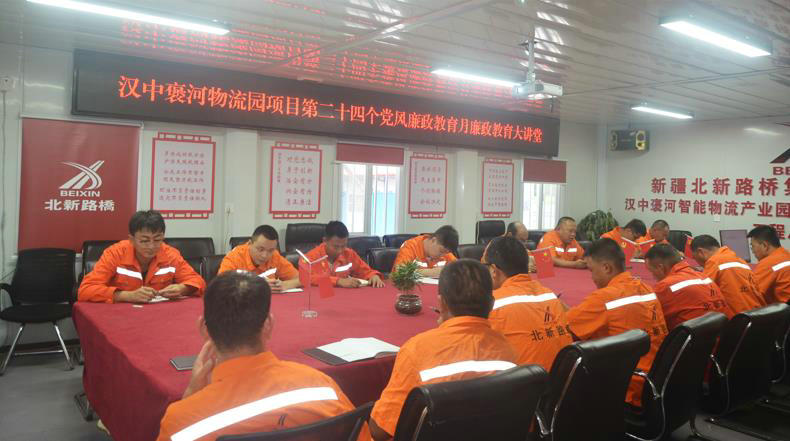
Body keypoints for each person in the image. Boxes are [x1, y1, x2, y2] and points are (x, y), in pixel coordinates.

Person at [156, 272, 364, 441]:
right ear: (269, 325)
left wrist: (191, 395)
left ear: (204, 328)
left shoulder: (181, 421)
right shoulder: (323, 387)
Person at [369, 260, 517, 441]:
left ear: (441, 303)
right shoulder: (508, 349)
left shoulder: (417, 350)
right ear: (492, 304)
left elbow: (379, 430)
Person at [566, 238, 668, 407]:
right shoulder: (646, 288)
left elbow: (566, 327)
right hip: (656, 378)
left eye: (591, 270)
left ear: (606, 267)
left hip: (626, 385)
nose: (592, 278)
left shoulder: (605, 298)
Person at [483, 236, 571, 370]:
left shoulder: (491, 304)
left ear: (493, 270)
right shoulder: (549, 295)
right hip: (562, 378)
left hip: (523, 381)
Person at [78, 210, 205, 303]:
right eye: (144, 241)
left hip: (160, 314)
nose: (151, 246)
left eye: (157, 240)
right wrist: (126, 296)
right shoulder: (115, 253)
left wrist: (182, 289)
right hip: (121, 315)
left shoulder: (170, 254)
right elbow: (85, 290)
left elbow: (199, 282)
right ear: (131, 239)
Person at [645, 244, 732, 330]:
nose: (653, 277)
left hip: (695, 336)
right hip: (723, 333)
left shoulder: (664, 286)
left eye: (652, 271)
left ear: (660, 267)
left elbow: (651, 320)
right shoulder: (704, 276)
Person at [690, 234, 765, 313]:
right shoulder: (740, 260)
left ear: (700, 252)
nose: (696, 262)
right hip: (756, 313)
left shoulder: (714, 262)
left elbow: (702, 292)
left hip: (737, 317)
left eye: (694, 257)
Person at [218, 225, 301, 292]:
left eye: (270, 250)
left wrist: (285, 284)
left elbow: (302, 279)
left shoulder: (275, 256)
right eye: (260, 249)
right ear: (250, 244)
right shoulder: (234, 257)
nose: (265, 255)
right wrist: (257, 286)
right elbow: (221, 284)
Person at [304, 221, 384, 288]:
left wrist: (373, 276)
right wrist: (338, 281)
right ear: (325, 241)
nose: (340, 251)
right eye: (336, 247)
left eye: (343, 246)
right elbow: (306, 279)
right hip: (321, 296)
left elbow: (365, 271)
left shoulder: (349, 254)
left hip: (345, 297)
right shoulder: (310, 257)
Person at [392, 225, 458, 277]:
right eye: (441, 251)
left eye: (446, 253)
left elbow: (458, 269)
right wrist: (430, 272)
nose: (443, 255)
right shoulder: (411, 246)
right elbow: (400, 271)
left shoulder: (445, 251)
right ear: (433, 240)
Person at [748, 225, 790, 303]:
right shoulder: (786, 254)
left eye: (753, 246)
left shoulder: (768, 263)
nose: (753, 251)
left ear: (765, 246)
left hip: (784, 309)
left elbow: (750, 293)